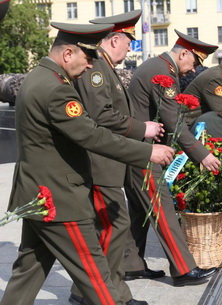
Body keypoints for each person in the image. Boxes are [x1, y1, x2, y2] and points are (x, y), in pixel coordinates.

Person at [0, 22, 175, 305]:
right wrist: (147, 153)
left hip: (37, 194)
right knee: (95, 278)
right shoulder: (57, 89)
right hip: (60, 200)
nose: (90, 65)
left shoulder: (37, 78)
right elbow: (92, 136)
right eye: (87, 58)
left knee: (28, 271)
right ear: (68, 54)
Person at [68, 11, 165, 305]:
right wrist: (141, 128)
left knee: (110, 228)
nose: (130, 49)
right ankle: (98, 293)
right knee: (114, 226)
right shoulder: (97, 67)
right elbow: (101, 114)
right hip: (100, 163)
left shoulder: (104, 66)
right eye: (128, 43)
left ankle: (107, 292)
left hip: (108, 160)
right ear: (114, 39)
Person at [125, 30, 220, 286]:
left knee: (139, 210)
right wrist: (202, 154)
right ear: (184, 53)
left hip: (137, 150)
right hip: (145, 153)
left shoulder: (159, 66)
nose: (193, 70)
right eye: (195, 62)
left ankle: (131, 265)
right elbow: (173, 122)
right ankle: (183, 269)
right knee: (162, 209)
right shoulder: (163, 73)